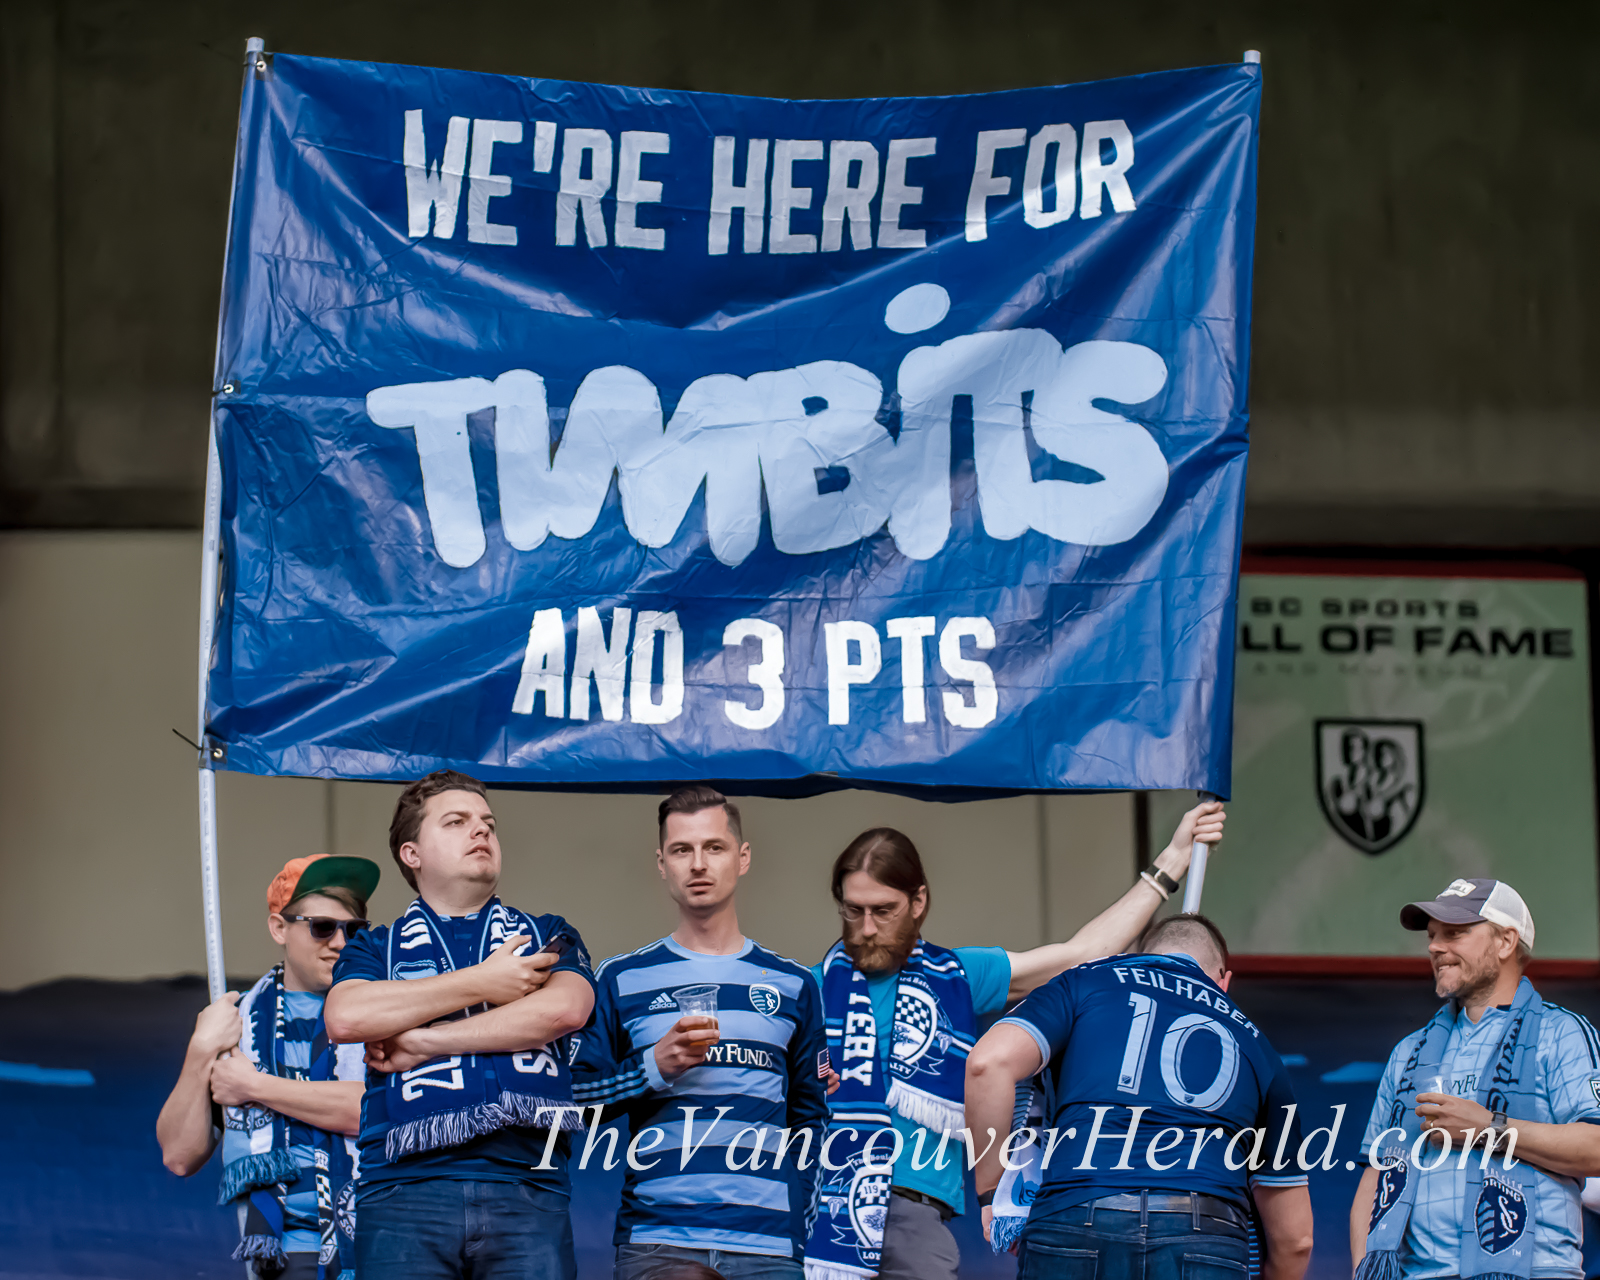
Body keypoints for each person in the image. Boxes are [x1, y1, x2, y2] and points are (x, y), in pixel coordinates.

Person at [804, 801, 1228, 1280]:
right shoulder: (807, 989)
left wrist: (1171, 862)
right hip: (822, 1210)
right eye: (852, 910)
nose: (866, 928)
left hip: (918, 1217)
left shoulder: (958, 976)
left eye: (884, 911)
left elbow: (1082, 957)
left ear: (918, 902)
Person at [323, 769, 596, 1280]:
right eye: (457, 821)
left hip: (527, 1186)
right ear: (412, 853)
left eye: (488, 823)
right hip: (402, 1188)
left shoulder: (549, 934)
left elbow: (563, 1011)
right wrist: (485, 982)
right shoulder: (374, 946)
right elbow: (346, 1016)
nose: (481, 831)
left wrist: (425, 1039)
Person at [964, 913, 1314, 1280]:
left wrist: (993, 1192)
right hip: (1207, 1235)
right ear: (1224, 981)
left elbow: (987, 1065)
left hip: (1074, 1213)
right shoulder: (1257, 1046)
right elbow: (1296, 1240)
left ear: (1141, 955)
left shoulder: (1084, 982)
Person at [571, 784, 829, 1279]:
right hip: (658, 1242)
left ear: (743, 857)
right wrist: (652, 1068)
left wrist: (797, 1232)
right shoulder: (621, 979)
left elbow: (811, 1122)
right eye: (681, 850)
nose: (698, 864)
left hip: (769, 1250)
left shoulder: (794, 985)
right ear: (661, 863)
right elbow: (578, 1102)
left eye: (714, 847)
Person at [1350, 878, 1600, 1280]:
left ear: (1505, 943)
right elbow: (1375, 1176)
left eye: (1455, 933)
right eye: (1432, 936)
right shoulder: (1409, 1052)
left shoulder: (1561, 1032)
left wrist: (1489, 1128)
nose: (1434, 946)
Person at [157, 852, 380, 1279]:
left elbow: (369, 1110)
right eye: (322, 927)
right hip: (282, 1254)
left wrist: (254, 1085)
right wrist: (201, 1049)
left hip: (380, 1243)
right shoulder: (236, 1025)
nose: (339, 942)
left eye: (353, 930)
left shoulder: (380, 1012)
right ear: (279, 928)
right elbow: (179, 1156)